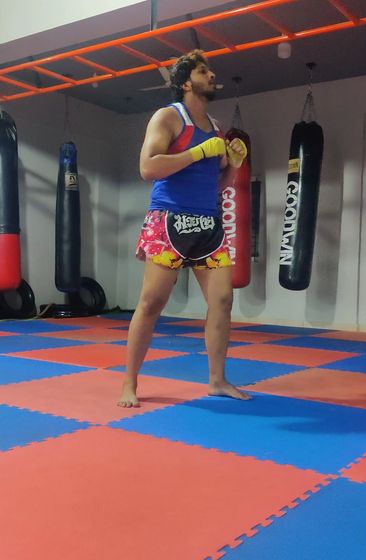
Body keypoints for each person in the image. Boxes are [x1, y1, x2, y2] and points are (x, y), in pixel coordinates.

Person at [118, 49, 250, 407]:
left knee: (222, 300)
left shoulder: (216, 128)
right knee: (151, 303)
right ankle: (129, 382)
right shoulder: (168, 117)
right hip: (168, 220)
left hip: (208, 222)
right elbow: (148, 168)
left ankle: (217, 380)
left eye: (210, 71)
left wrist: (234, 165)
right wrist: (198, 152)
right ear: (186, 82)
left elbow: (218, 186)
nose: (212, 76)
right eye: (203, 71)